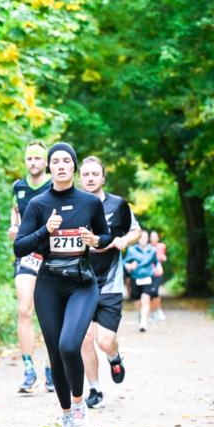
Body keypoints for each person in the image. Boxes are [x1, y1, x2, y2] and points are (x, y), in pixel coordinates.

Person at [14, 142, 112, 427]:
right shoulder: (39, 205)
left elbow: (106, 235)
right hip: (49, 284)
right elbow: (19, 246)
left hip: (82, 282)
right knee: (56, 352)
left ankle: (80, 406)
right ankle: (66, 414)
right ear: (48, 167)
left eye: (66, 161)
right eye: (54, 161)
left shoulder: (89, 202)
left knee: (71, 345)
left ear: (74, 167)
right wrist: (46, 230)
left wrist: (94, 239)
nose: (60, 165)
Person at [77, 156, 141, 409]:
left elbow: (135, 231)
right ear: (79, 178)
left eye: (95, 174)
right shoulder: (73, 204)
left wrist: (126, 240)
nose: (90, 178)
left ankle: (114, 357)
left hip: (110, 282)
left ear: (103, 178)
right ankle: (95, 390)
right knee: (84, 339)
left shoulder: (119, 205)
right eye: (86, 174)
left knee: (104, 341)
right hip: (81, 281)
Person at [8, 142, 55, 394]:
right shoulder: (18, 187)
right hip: (27, 255)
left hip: (52, 257)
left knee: (48, 313)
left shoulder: (54, 185)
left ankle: (50, 369)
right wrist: (12, 228)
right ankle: (28, 370)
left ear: (45, 162)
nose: (33, 162)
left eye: (38, 158)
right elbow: (13, 216)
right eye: (29, 158)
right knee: (24, 310)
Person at [124, 231, 158, 332]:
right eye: (141, 238)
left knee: (146, 299)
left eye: (145, 238)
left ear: (148, 239)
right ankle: (141, 315)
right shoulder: (131, 250)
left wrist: (158, 267)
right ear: (138, 239)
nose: (144, 239)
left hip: (148, 277)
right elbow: (124, 262)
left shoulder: (152, 250)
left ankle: (143, 322)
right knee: (138, 301)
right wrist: (129, 266)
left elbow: (156, 262)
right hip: (136, 278)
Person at [150, 230, 168, 322]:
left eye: (155, 236)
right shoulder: (148, 247)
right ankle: (153, 312)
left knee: (155, 292)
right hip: (149, 273)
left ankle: (158, 310)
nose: (153, 238)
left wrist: (161, 257)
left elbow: (164, 258)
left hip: (158, 273)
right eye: (152, 237)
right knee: (151, 293)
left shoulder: (161, 246)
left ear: (158, 238)